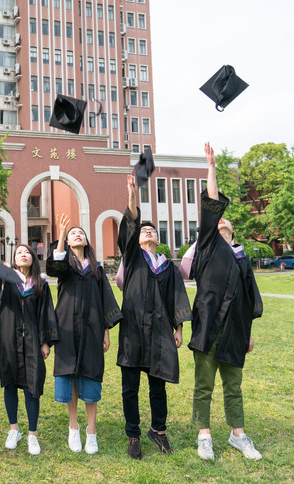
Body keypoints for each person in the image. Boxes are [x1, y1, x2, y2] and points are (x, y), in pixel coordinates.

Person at [184, 142, 264, 461]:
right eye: (217, 222)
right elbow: (213, 203)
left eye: (225, 224)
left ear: (232, 230)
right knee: (204, 386)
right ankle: (204, 435)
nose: (221, 223)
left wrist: (247, 333)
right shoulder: (207, 247)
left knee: (234, 386)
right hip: (207, 327)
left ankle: (238, 434)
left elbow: (249, 300)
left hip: (234, 332)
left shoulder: (242, 259)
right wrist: (211, 167)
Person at [115, 175, 192, 459]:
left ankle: (158, 431)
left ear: (158, 239)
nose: (147, 231)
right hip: (133, 329)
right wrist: (132, 197)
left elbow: (177, 298)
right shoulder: (133, 257)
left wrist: (179, 328)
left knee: (157, 384)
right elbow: (132, 223)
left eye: (152, 230)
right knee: (130, 387)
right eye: (143, 230)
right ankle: (133, 434)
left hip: (160, 330)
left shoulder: (167, 268)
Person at [46, 214, 122, 454]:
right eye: (72, 234)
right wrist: (60, 236)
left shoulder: (96, 268)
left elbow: (105, 299)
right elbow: (53, 268)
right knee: (70, 374)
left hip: (91, 328)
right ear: (68, 243)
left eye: (81, 233)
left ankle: (91, 430)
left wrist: (106, 331)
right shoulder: (65, 266)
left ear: (87, 241)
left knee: (89, 374)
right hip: (67, 326)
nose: (77, 234)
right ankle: (73, 426)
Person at [0, 244, 59, 455]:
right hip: (8, 338)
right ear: (14, 258)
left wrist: (45, 341)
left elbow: (47, 312)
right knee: (9, 383)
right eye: (19, 252)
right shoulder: (6, 281)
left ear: (33, 259)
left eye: (27, 252)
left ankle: (32, 434)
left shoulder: (41, 284)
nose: (23, 255)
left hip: (32, 340)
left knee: (32, 385)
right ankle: (14, 429)